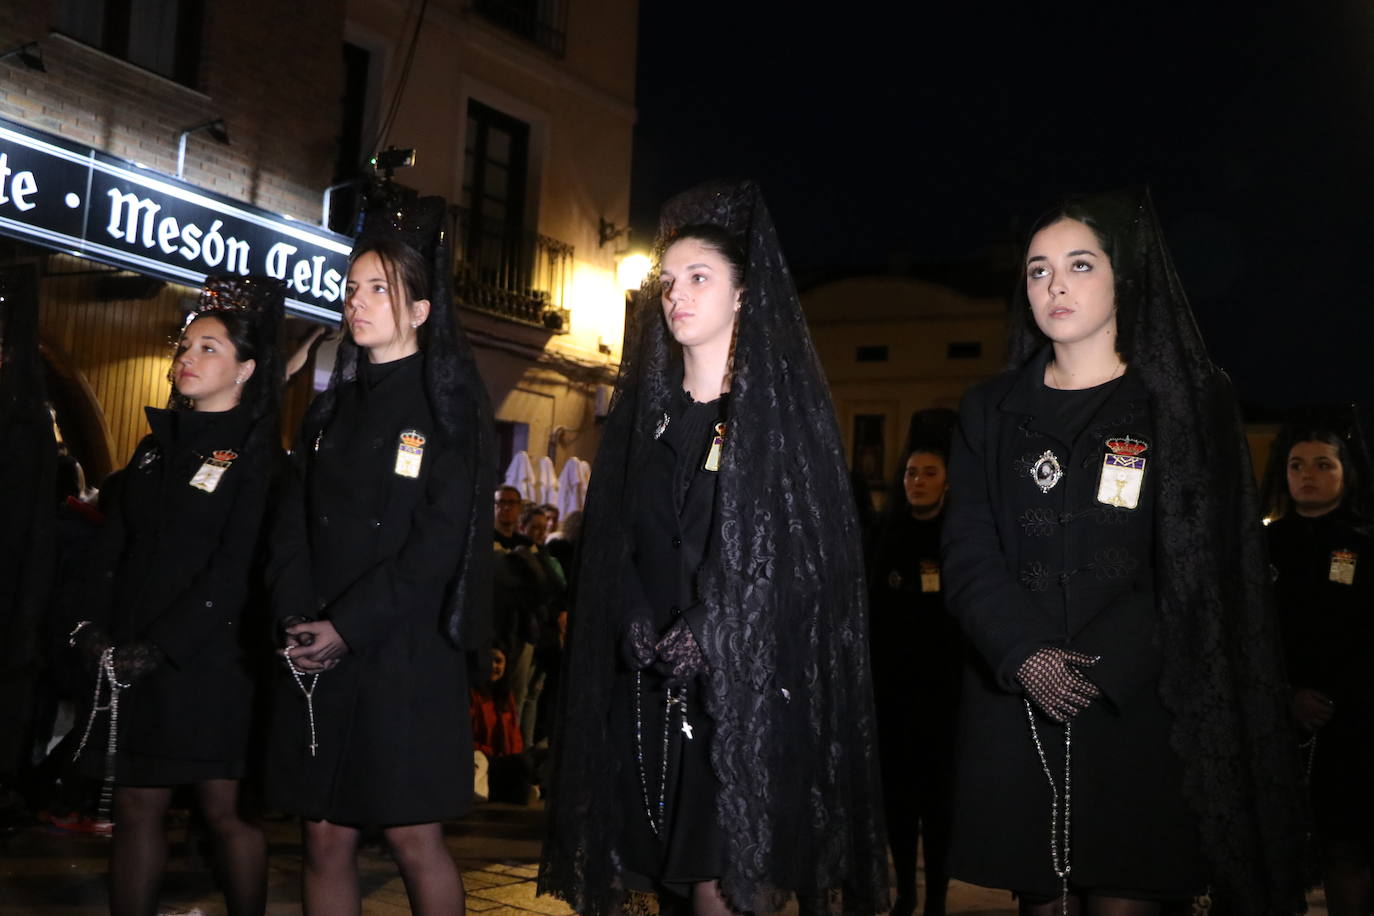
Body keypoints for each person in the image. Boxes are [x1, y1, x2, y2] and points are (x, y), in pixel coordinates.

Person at [941, 189, 1304, 915]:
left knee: (1131, 900)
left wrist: (1099, 667)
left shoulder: (1183, 402)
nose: (1056, 286)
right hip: (1019, 704)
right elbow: (969, 550)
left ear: (1124, 279)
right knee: (1040, 899)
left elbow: (1201, 564)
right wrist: (1023, 655)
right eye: (1038, 270)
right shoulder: (989, 408)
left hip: (1140, 709)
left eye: (1079, 264)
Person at [540, 180, 888, 916]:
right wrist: (632, 610)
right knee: (666, 886)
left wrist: (715, 624)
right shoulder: (647, 423)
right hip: (652, 695)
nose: (677, 296)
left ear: (743, 298)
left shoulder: (779, 423)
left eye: (700, 278)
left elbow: (810, 558)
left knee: (720, 887)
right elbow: (612, 543)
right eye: (668, 282)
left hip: (747, 696)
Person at [264, 191, 494, 915]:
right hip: (320, 646)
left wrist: (349, 626)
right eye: (351, 288)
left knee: (411, 837)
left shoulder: (447, 407)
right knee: (323, 835)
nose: (356, 303)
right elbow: (294, 515)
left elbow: (436, 544)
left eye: (378, 290)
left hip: (400, 655)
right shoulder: (334, 403)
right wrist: (299, 613)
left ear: (420, 310)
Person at [68, 275, 285, 916]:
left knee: (224, 811)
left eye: (208, 348)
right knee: (138, 804)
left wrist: (165, 645)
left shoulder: (255, 453)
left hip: (211, 661)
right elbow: (117, 545)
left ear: (245, 369)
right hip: (134, 652)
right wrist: (90, 625)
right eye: (184, 346)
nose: (186, 359)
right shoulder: (154, 447)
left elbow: (235, 567)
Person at [1264, 420, 1374, 915]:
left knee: (1345, 846)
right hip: (1275, 722)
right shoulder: (1262, 545)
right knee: (1274, 853)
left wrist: (1332, 700)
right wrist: (1286, 695)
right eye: (1296, 465)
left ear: (1346, 472)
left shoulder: (1365, 543)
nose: (1307, 474)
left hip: (1352, 724)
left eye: (1322, 464)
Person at [868, 409, 960, 916]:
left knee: (939, 808)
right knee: (899, 806)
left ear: (946, 482)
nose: (917, 482)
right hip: (895, 699)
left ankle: (938, 901)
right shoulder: (888, 536)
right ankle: (905, 891)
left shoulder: (960, 538)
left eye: (929, 474)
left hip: (944, 699)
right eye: (911, 473)